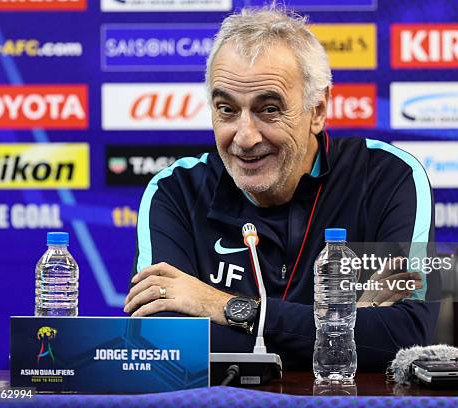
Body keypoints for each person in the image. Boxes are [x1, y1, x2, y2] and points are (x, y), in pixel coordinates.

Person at [124, 6, 439, 371]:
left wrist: (218, 305)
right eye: (226, 109)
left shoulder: (390, 177)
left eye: (269, 109)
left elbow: (404, 339)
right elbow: (164, 345)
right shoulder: (175, 191)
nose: (244, 137)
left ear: (317, 110)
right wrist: (345, 326)